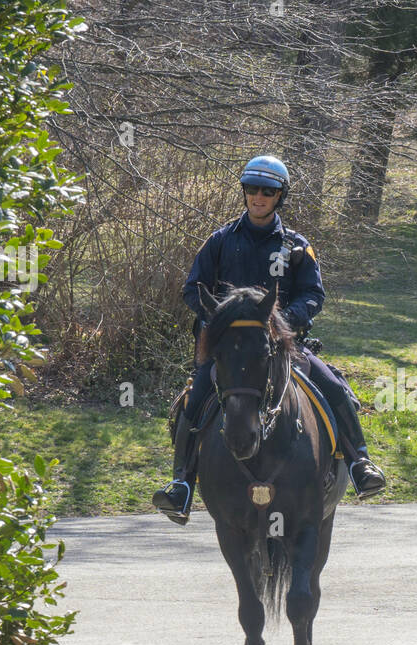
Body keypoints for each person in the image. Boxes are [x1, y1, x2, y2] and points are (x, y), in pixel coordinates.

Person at [152, 155, 386, 524]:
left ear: (280, 196)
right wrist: (221, 321)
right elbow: (192, 289)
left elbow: (313, 294)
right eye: (251, 189)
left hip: (283, 345)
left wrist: (282, 322)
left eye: (268, 191)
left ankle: (360, 463)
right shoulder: (219, 240)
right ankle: (181, 483)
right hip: (229, 350)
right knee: (193, 400)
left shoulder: (297, 245)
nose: (258, 197)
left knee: (336, 386)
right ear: (243, 192)